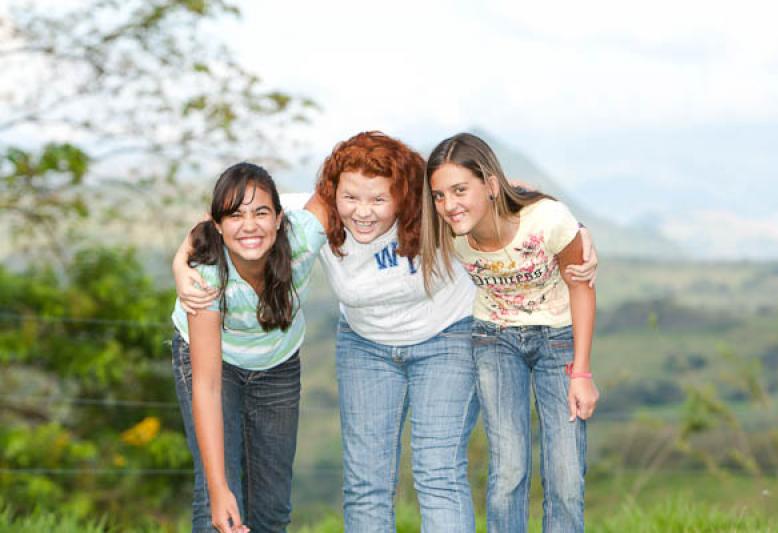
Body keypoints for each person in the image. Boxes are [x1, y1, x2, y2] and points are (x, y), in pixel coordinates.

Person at [176, 132, 599, 533]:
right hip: (365, 347)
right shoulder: (315, 217)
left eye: (379, 199)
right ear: (333, 194)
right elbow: (230, 212)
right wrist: (183, 263)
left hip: (444, 338)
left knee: (438, 474)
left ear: (402, 194)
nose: (363, 211)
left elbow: (498, 190)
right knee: (366, 485)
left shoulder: (432, 203)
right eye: (351, 197)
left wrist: (576, 229)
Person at [420, 132, 599, 533]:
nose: (449, 205)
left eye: (460, 190)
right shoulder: (448, 231)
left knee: (566, 475)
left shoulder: (546, 221)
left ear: (490, 184)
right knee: (508, 471)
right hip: (495, 341)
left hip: (558, 340)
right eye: (439, 195)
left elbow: (581, 288)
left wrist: (582, 373)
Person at [170, 162, 326, 533]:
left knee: (272, 510)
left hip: (278, 362)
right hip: (214, 362)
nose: (250, 225)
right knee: (218, 505)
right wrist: (220, 488)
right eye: (236, 215)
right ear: (218, 225)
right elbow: (207, 387)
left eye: (260, 212)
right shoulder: (205, 273)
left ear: (279, 218)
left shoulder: (304, 236)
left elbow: (340, 184)